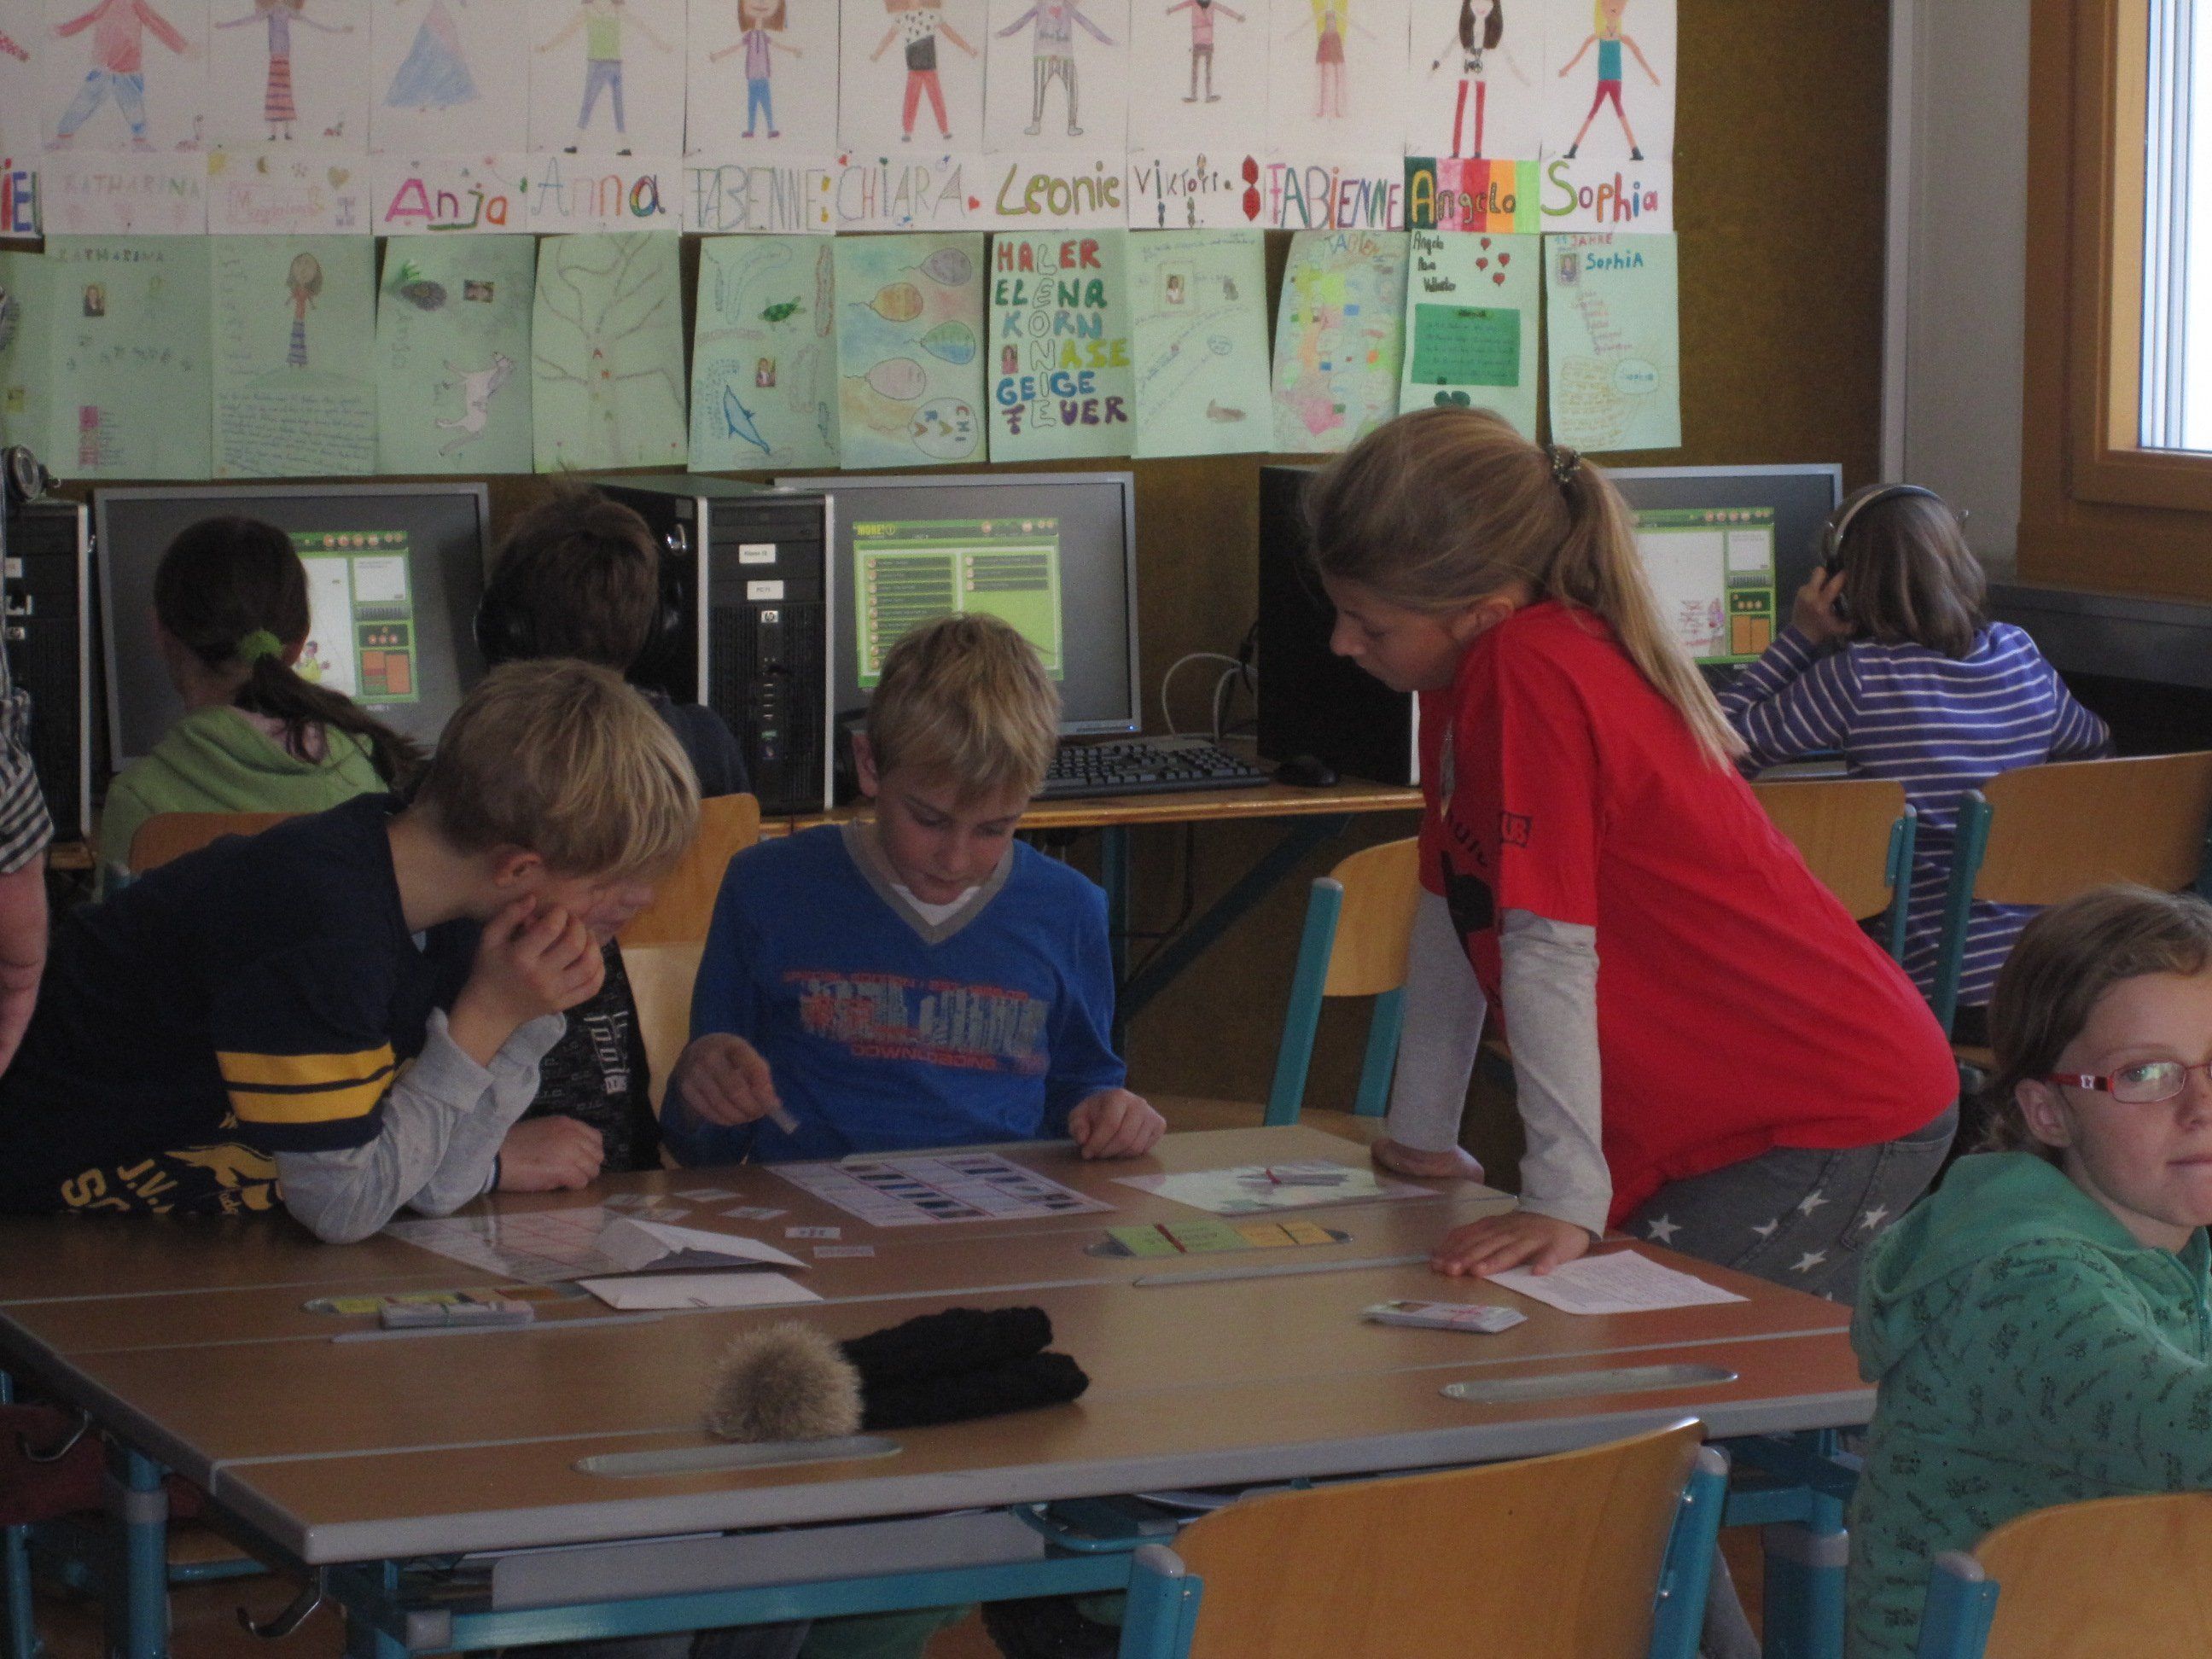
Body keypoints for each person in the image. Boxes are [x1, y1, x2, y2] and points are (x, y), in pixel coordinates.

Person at [1306, 408, 1958, 1293]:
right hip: (1772, 1109)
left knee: (1614, 1345)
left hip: (1829, 1109)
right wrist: (1420, 1135)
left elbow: (1546, 945)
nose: (1341, 644)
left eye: (1368, 624)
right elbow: (1454, 899)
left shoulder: (1531, 669)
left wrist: (1562, 1200)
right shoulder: (1472, 672)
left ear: (1479, 613)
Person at [663, 613, 1157, 1659]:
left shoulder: (1067, 908)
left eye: (996, 830)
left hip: (992, 1273)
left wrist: (1116, 1116)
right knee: (813, 1525)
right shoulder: (769, 885)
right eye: (930, 820)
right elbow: (698, 1146)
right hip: (811, 1278)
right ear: (868, 767)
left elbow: (1087, 1087)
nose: (957, 860)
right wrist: (705, 1091)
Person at [0, 661, 698, 1238]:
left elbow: (436, 1183)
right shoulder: (321, 921)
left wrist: (521, 1017)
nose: (631, 906)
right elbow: (342, 1207)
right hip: (39, 1228)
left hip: (176, 1241)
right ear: (518, 869)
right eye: (609, 887)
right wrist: (485, 1020)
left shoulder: (456, 915)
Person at [1847, 885, 2212, 1658]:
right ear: (2050, 1113)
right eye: (2146, 1073)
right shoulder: (2022, 1284)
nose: (2202, 1106)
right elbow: (2190, 1431)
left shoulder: (2181, 1246)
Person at [1718, 483, 2111, 1042]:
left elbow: (1713, 752)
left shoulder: (1858, 677)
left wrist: (1801, 636)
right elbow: (2094, 748)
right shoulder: (2020, 654)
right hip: (2047, 985)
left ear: (1842, 584)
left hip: (1927, 993)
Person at [476, 485, 750, 1173]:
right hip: (675, 1051)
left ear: (501, 631)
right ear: (661, 627)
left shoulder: (489, 759)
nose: (638, 895)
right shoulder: (706, 741)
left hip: (557, 1102)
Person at [94, 515, 419, 895]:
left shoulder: (139, 800)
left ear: (161, 636)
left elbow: (111, 932)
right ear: (298, 645)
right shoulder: (367, 772)